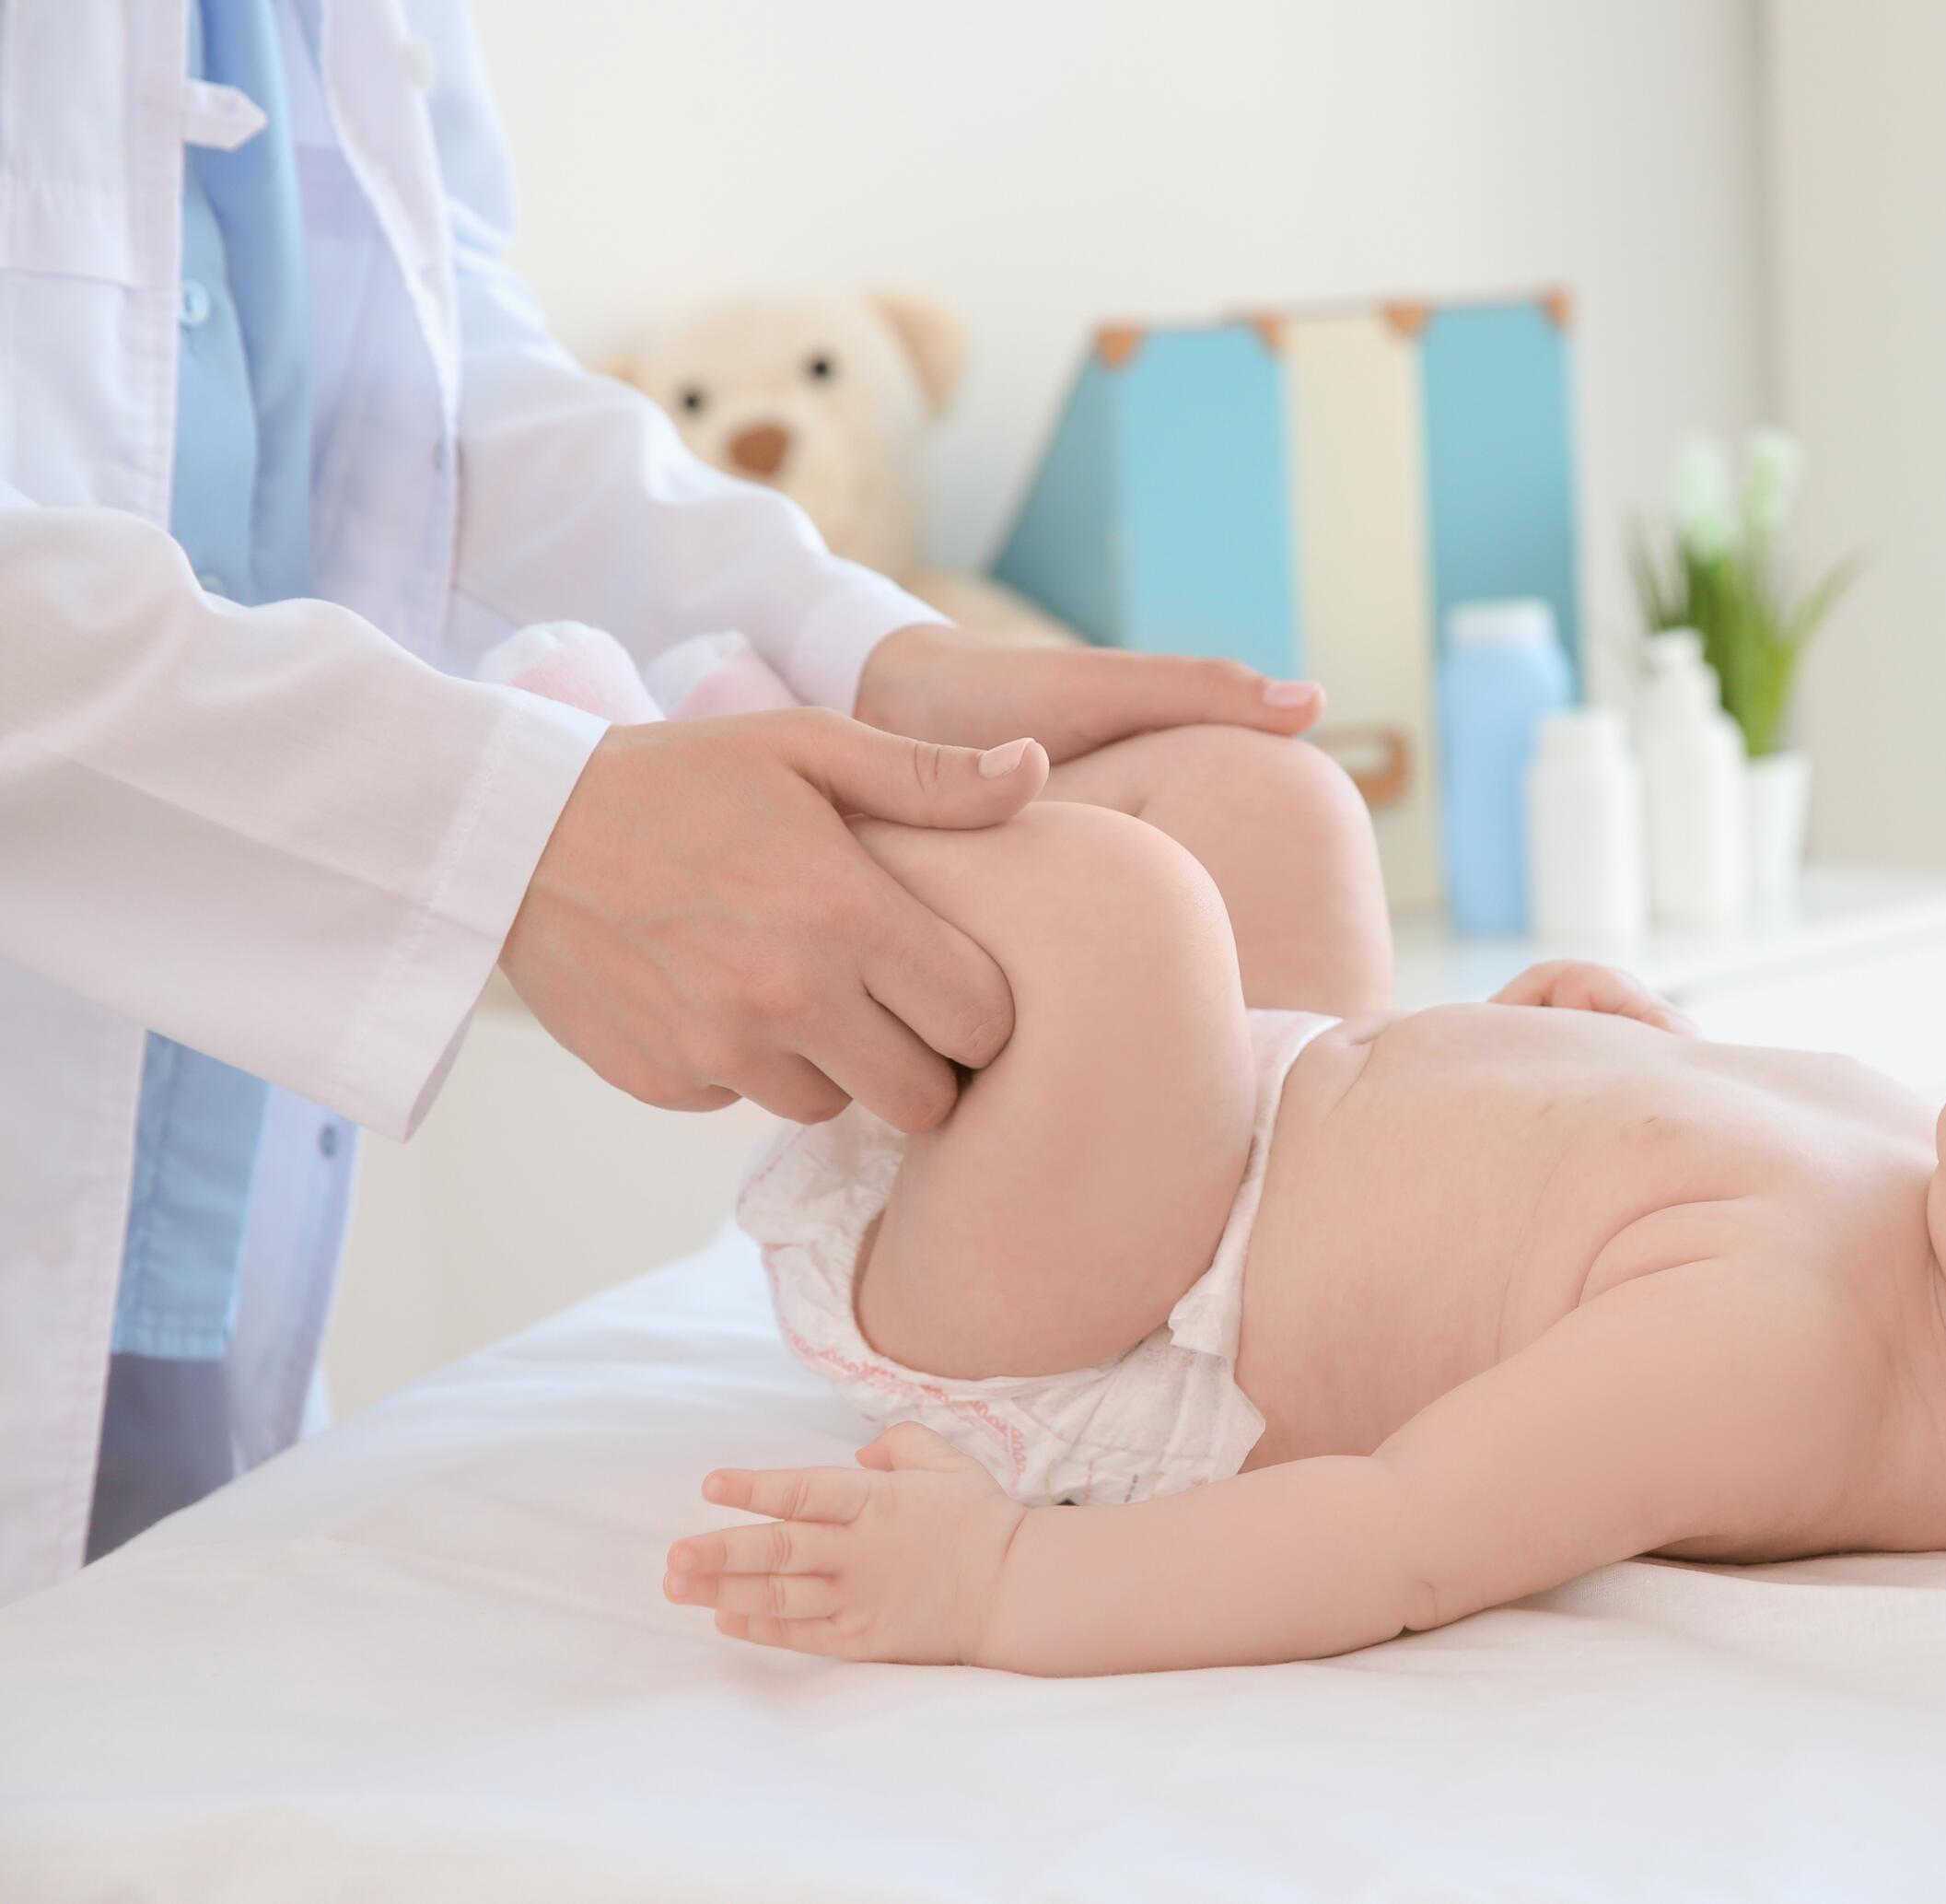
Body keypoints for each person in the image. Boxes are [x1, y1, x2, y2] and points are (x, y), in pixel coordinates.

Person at [0, 1, 1320, 1600]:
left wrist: (864, 647)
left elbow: (413, 398)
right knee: (1175, 885)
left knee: (1267, 808)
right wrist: (513, 837)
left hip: (186, 1215)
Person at [668, 720, 1946, 1675]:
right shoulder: (1942, 1208)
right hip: (1249, 1129)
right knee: (1259, 798)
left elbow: (1386, 1538)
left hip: (1103, 1318)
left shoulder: (1779, 1360)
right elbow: (1628, 1173)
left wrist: (995, 1586)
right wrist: (1610, 1051)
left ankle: (676, 789)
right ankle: (809, 770)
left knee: (1129, 910)